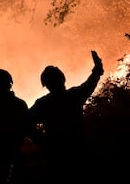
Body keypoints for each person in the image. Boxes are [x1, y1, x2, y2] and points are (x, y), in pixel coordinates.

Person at [28, 50, 104, 183]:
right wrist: (97, 67)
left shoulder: (42, 104)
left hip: (56, 155)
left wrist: (41, 141)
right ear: (62, 78)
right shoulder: (74, 95)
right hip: (79, 151)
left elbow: (26, 123)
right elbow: (91, 83)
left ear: (45, 85)